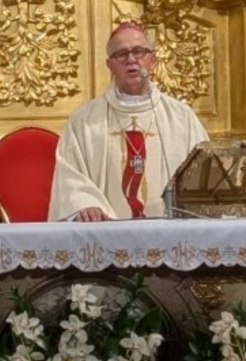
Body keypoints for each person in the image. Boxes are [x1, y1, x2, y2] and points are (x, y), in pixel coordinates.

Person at [49, 22, 207, 221]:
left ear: (152, 60)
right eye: (121, 54)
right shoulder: (84, 121)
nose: (131, 59)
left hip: (171, 232)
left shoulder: (181, 117)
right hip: (106, 232)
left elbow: (205, 173)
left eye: (139, 51)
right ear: (110, 65)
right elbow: (70, 177)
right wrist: (86, 204)